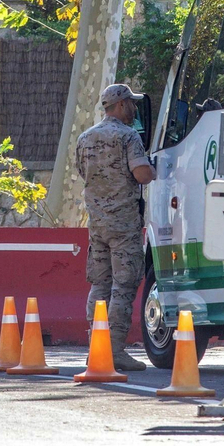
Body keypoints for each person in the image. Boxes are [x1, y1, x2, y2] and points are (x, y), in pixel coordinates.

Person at [74, 82, 155, 372]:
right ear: (120, 105)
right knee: (123, 286)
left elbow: (83, 174)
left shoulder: (85, 138)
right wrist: (153, 167)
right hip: (124, 225)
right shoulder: (128, 136)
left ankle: (95, 347)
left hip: (97, 225)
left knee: (100, 285)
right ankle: (115, 350)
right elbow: (142, 174)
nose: (133, 108)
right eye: (131, 103)